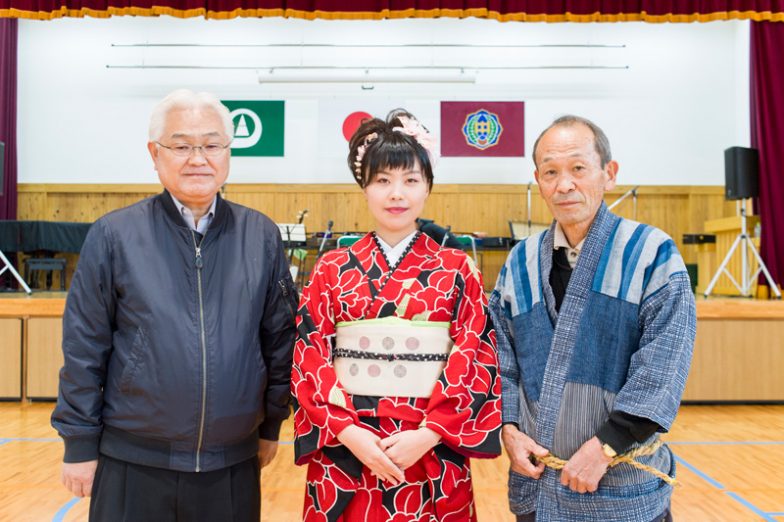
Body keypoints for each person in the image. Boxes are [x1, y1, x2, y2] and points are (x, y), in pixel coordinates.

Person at [51, 89, 298, 521]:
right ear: (155, 153)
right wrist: (78, 443)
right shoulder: (114, 236)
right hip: (133, 460)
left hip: (232, 462)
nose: (198, 159)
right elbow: (84, 347)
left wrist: (272, 423)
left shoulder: (260, 235)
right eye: (182, 146)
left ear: (228, 151)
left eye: (211, 145)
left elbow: (278, 339)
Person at [291, 110, 502, 521]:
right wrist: (350, 433)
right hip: (347, 448)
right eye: (382, 181)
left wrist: (429, 433)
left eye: (410, 180)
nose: (396, 194)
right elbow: (309, 354)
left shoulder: (457, 269)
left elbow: (476, 356)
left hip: (430, 446)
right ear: (364, 188)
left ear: (427, 188)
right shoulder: (331, 269)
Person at [489, 115, 696, 522]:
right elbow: (500, 357)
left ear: (609, 173)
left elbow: (663, 364)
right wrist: (508, 428)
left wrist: (606, 445)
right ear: (538, 180)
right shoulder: (520, 262)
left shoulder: (651, 253)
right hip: (539, 483)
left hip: (618, 486)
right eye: (551, 172)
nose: (564, 184)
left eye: (578, 168)